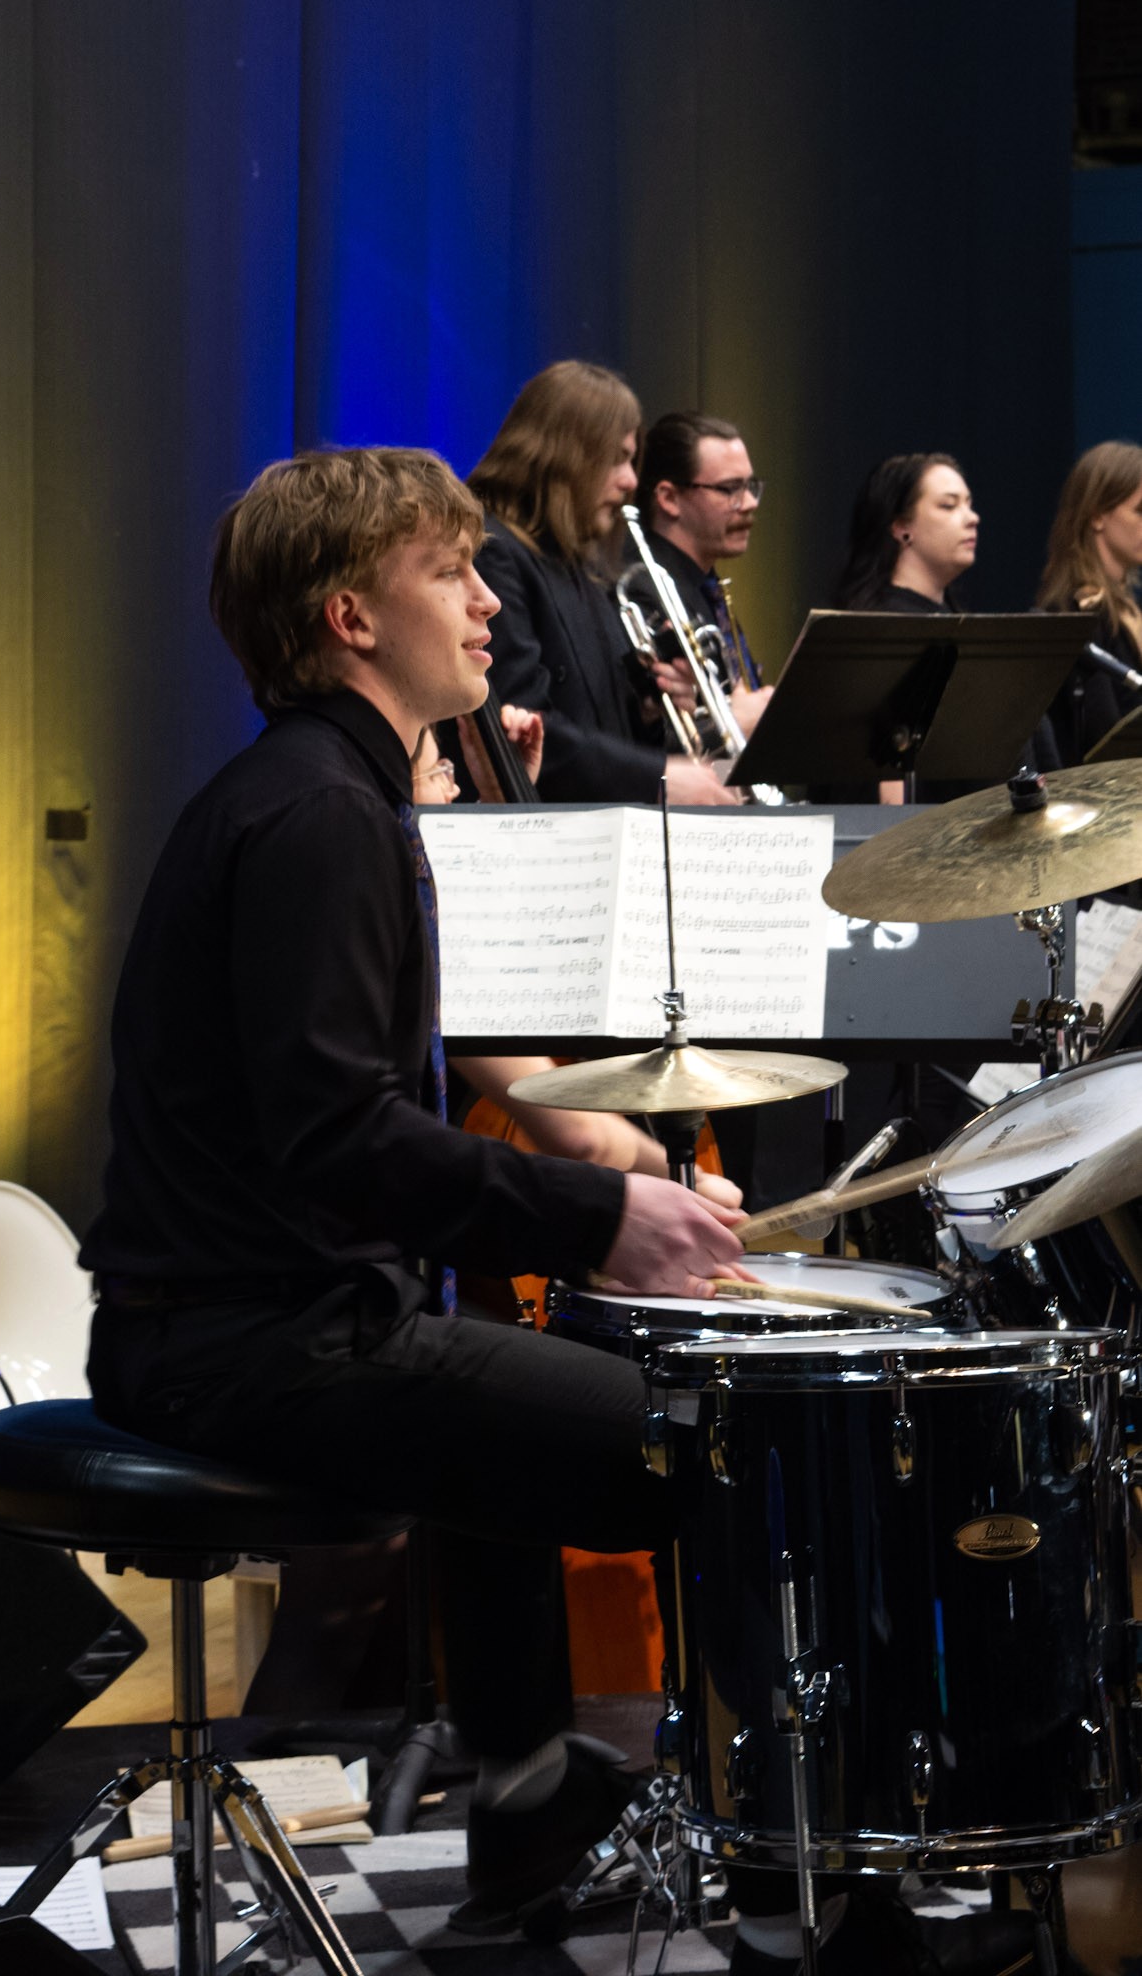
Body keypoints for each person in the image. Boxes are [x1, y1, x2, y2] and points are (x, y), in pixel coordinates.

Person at [78, 446, 748, 1934]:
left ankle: (519, 1796)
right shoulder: (319, 816)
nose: (486, 602)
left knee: (522, 1397)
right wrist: (608, 1218)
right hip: (256, 1348)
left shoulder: (326, 793)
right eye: (448, 572)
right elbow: (342, 1141)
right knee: (728, 1452)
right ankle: (776, 1846)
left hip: (255, 1327)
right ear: (348, 618)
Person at [467, 361, 734, 804]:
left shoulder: (582, 569)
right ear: (563, 455)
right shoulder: (496, 557)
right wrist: (661, 775)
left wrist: (651, 709)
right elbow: (520, 723)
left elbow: (597, 722)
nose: (631, 480)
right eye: (617, 460)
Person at [629, 411, 774, 742]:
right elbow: (664, 740)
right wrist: (736, 724)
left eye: (750, 486)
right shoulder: (647, 592)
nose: (750, 503)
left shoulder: (706, 584)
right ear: (668, 498)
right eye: (729, 489)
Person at [1039, 439, 1142, 768]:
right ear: (1097, 516)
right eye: (1140, 510)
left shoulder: (1122, 610)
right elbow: (1106, 739)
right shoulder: (1075, 614)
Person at [833, 451, 979, 614]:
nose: (973, 518)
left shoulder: (950, 618)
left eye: (968, 504)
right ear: (901, 527)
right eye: (948, 505)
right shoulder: (878, 627)